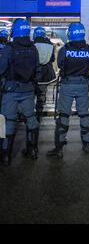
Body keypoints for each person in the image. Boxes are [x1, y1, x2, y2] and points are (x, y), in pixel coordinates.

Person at [47, 22, 89, 158]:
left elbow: (60, 64)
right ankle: (87, 144)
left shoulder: (64, 50)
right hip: (83, 85)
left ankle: (59, 148)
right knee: (84, 114)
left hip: (67, 85)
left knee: (64, 115)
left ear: (70, 34)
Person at [0, 19, 40, 166]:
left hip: (11, 90)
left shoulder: (8, 49)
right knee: (31, 118)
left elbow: (1, 69)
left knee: (8, 121)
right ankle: (33, 150)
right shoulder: (33, 48)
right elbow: (38, 69)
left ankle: (5, 155)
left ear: (14, 31)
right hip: (28, 90)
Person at [32, 26, 56, 122]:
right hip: (45, 74)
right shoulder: (50, 45)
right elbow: (52, 59)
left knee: (31, 94)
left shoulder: (32, 45)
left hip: (34, 74)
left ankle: (29, 115)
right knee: (42, 95)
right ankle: (39, 114)